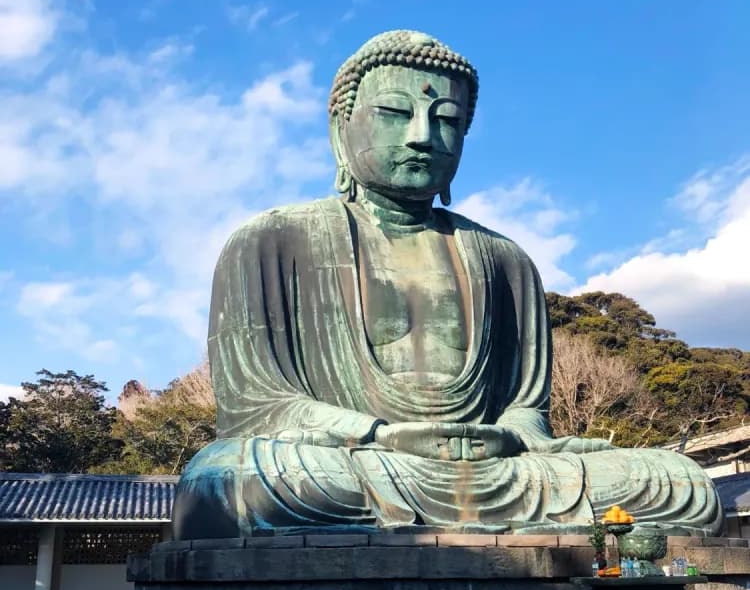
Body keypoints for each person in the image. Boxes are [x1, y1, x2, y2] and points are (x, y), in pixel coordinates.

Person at [172, 30, 721, 537]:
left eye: (447, 120)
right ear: (342, 129)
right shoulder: (271, 240)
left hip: (496, 471)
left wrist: (514, 433)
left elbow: (525, 408)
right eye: (394, 112)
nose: (422, 136)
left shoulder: (505, 259)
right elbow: (257, 407)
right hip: (354, 461)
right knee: (226, 480)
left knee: (678, 482)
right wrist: (380, 434)